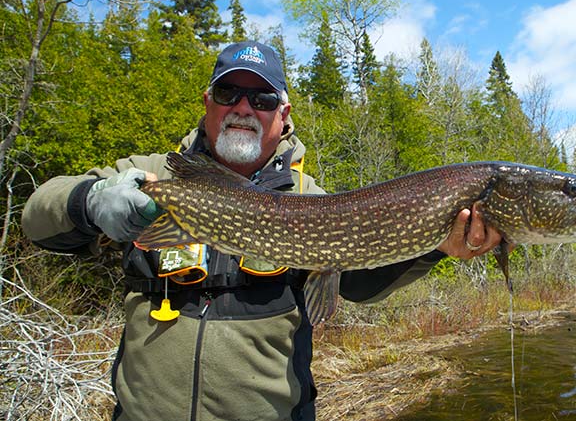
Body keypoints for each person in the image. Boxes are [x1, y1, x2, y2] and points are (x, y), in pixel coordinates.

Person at [21, 40, 502, 421]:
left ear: (283, 114)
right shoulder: (155, 173)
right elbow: (35, 220)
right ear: (208, 102)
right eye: (230, 94)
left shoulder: (312, 201)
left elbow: (357, 283)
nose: (245, 108)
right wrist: (88, 201)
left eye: (263, 97)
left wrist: (434, 246)